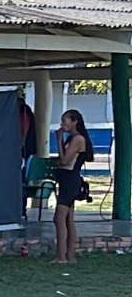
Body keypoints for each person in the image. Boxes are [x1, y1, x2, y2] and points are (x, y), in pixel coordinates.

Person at [53, 108, 93, 265]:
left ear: (74, 122)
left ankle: (61, 256)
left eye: (65, 121)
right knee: (68, 219)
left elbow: (64, 161)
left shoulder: (78, 139)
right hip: (65, 179)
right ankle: (70, 255)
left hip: (70, 180)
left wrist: (58, 139)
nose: (62, 124)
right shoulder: (71, 139)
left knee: (59, 218)